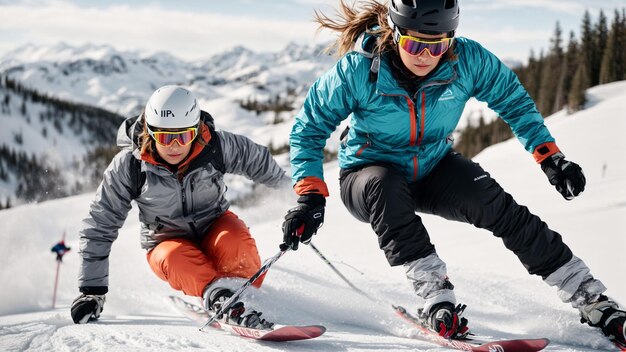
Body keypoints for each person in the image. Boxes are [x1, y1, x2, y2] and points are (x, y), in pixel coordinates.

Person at [281, 0, 625, 344]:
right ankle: (435, 297)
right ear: (394, 33)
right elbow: (308, 128)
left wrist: (549, 157)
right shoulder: (359, 70)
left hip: (432, 166)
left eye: (438, 45)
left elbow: (514, 102)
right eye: (414, 44)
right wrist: (310, 194)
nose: (425, 56)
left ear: (451, 39)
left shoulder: (466, 61)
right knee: (384, 186)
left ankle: (591, 299)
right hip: (367, 175)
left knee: (494, 204)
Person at [71, 85, 287, 329]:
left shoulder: (214, 147)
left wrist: (297, 201)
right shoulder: (130, 166)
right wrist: (92, 290)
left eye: (182, 136)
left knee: (235, 242)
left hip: (214, 226)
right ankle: (221, 299)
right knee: (175, 258)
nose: (174, 146)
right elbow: (101, 223)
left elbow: (256, 160)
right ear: (151, 133)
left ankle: (243, 300)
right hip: (166, 242)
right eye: (164, 137)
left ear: (195, 131)